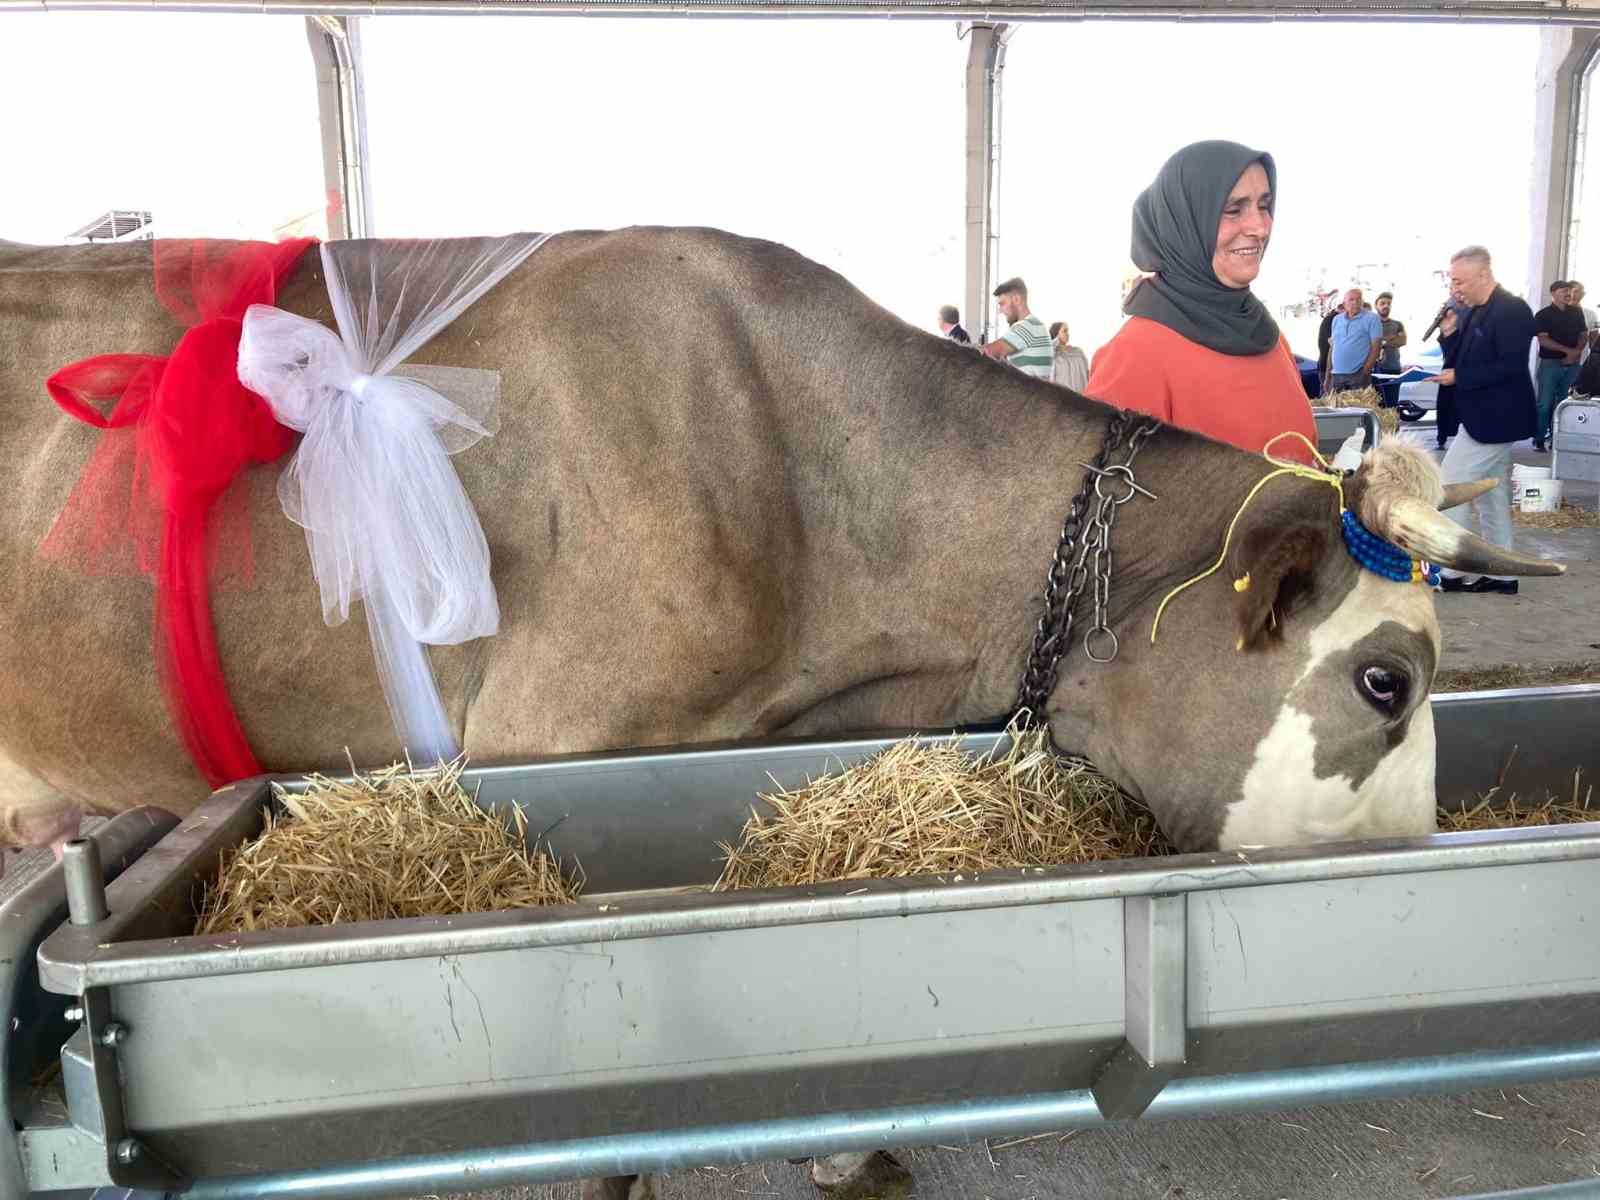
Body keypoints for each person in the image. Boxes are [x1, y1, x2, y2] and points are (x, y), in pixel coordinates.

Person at [1086, 140, 1315, 458]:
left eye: (1264, 205)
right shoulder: (1135, 355)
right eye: (1234, 210)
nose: (1260, 227)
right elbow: (1107, 496)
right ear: (1184, 223)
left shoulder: (1268, 336)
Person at [1428, 245, 1537, 595]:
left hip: (1495, 421)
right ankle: (1502, 576)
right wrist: (1448, 333)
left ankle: (1454, 571)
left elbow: (1510, 365)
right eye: (1452, 281)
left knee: (1449, 490)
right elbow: (1462, 358)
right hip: (1479, 417)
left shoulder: (1513, 310)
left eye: (1459, 281)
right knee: (1492, 495)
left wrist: (1459, 377)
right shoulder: (1475, 310)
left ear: (1483, 274)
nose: (1454, 288)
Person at [1533, 280, 1585, 452]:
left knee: (1565, 403)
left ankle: (1558, 440)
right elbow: (1543, 339)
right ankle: (1539, 439)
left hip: (1572, 365)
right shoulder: (1543, 315)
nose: (1568, 294)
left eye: (1569, 291)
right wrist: (1567, 351)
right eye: (1564, 290)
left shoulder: (1577, 312)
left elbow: (1583, 334)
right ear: (1553, 293)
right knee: (1545, 403)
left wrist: (1576, 351)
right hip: (1550, 363)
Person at [981, 278, 1053, 380]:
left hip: (1027, 394)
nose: (1000, 311)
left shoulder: (1027, 326)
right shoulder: (1035, 325)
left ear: (1016, 300)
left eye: (1002, 304)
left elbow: (987, 352)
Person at [1325, 287, 1383, 394]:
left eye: (1359, 299)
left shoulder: (1372, 318)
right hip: (1337, 375)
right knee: (1336, 409)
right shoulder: (1336, 319)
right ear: (1344, 303)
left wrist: (1364, 372)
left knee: (1357, 409)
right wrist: (1327, 376)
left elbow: (1376, 347)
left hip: (1358, 375)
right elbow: (1333, 348)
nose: (1355, 302)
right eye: (1351, 299)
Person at [1048, 320, 1089, 391]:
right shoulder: (1054, 354)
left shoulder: (1077, 351)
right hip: (1062, 397)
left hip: (1081, 395)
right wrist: (1056, 340)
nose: (1068, 334)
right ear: (1056, 334)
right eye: (1065, 331)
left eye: (1068, 331)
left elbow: (1087, 372)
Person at [1375, 291, 1406, 374]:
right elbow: (1367, 343)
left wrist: (1381, 341)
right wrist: (1393, 337)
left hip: (1394, 368)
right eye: (1382, 303)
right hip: (1374, 369)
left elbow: (1402, 341)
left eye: (1389, 303)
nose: (1386, 306)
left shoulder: (1398, 324)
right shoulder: (1371, 324)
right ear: (1376, 306)